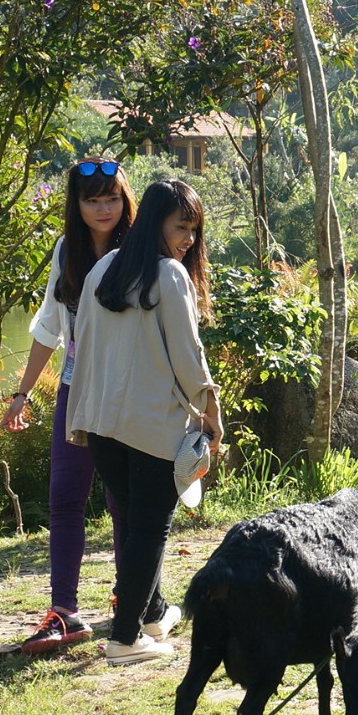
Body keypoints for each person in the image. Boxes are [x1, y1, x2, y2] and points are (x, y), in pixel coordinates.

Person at [65, 179, 222, 665]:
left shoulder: (102, 271)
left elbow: (83, 352)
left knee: (134, 522)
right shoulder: (170, 275)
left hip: (104, 426)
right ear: (158, 224)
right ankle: (126, 639)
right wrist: (209, 405)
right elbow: (188, 354)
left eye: (195, 231)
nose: (189, 240)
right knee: (150, 529)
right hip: (153, 426)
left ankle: (151, 616)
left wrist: (80, 418)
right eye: (183, 228)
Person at [3, 158, 134, 654]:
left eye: (112, 198)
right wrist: (22, 394)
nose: (103, 208)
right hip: (75, 391)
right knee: (64, 498)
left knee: (121, 498)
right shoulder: (67, 252)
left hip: (126, 395)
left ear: (125, 201)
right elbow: (48, 328)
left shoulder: (140, 253)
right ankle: (64, 612)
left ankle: (131, 595)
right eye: (92, 199)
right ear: (76, 206)